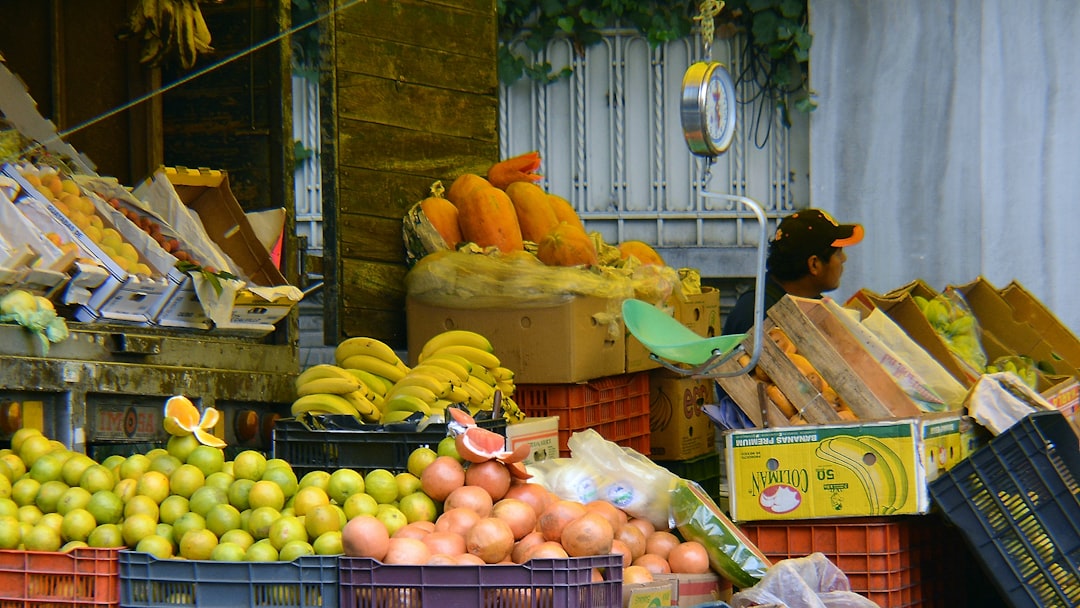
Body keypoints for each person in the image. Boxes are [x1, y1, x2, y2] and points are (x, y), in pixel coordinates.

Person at [722, 208, 863, 335]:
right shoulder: (756, 314)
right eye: (838, 253)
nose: (844, 259)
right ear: (814, 264)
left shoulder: (812, 303)